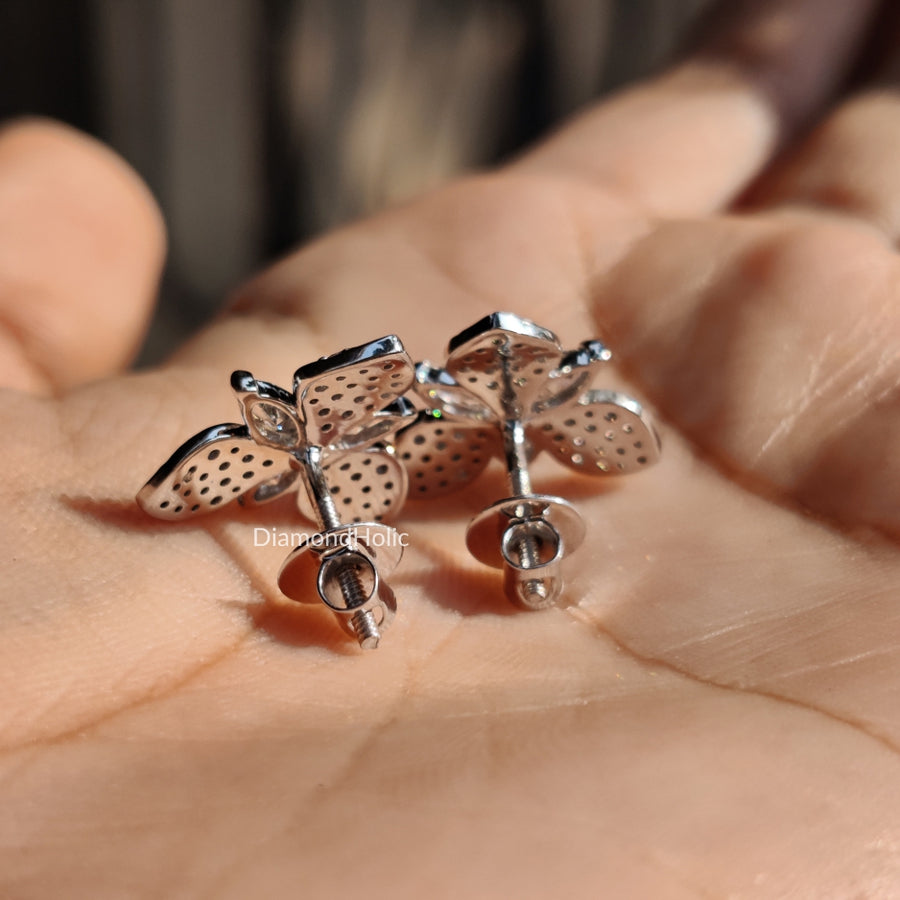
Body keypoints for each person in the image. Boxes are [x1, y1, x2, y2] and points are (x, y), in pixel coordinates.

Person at [3, 0, 900, 895]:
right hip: (364, 471)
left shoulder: (475, 423)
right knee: (346, 517)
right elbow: (215, 480)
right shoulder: (330, 459)